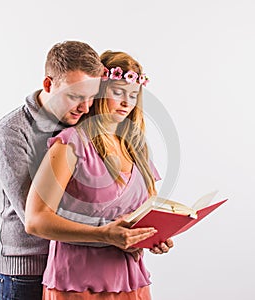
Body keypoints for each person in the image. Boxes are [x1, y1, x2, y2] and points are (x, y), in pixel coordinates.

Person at [25, 50, 174, 299]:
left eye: (133, 95)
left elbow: (147, 212)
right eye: (118, 92)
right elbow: (35, 220)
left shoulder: (137, 148)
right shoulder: (71, 143)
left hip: (130, 280)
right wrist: (104, 234)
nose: (127, 102)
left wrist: (154, 237)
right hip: (77, 282)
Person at [0, 40, 104, 300]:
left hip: (77, 263)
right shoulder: (12, 132)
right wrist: (108, 232)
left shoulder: (83, 123)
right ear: (48, 84)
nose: (85, 107)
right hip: (27, 272)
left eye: (91, 97)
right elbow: (36, 218)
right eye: (75, 96)